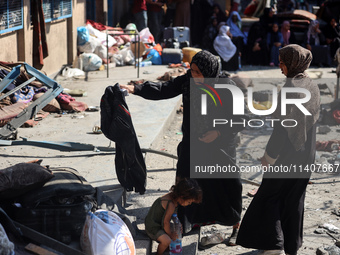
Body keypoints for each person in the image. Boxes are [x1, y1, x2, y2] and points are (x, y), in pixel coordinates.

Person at [120, 50, 245, 247]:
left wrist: (217, 133)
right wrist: (136, 89)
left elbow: (240, 119)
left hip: (221, 145)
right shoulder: (188, 81)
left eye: (197, 72)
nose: (193, 75)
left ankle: (237, 226)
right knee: (188, 182)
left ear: (209, 72)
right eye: (191, 70)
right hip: (193, 142)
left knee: (229, 185)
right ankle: (190, 221)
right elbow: (165, 89)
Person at [236, 44, 320, 255]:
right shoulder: (311, 85)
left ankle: (274, 245)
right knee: (294, 198)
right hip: (306, 154)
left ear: (293, 63)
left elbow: (283, 129)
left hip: (287, 154)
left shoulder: (291, 89)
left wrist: (269, 156)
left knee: (270, 195)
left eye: (283, 62)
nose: (280, 66)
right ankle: (291, 245)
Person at [145, 178, 202, 255]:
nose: (189, 204)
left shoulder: (174, 199)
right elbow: (166, 222)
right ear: (182, 197)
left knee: (176, 232)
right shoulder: (170, 203)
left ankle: (167, 247)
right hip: (153, 227)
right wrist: (171, 235)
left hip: (160, 223)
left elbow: (174, 216)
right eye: (189, 202)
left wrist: (178, 225)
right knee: (167, 240)